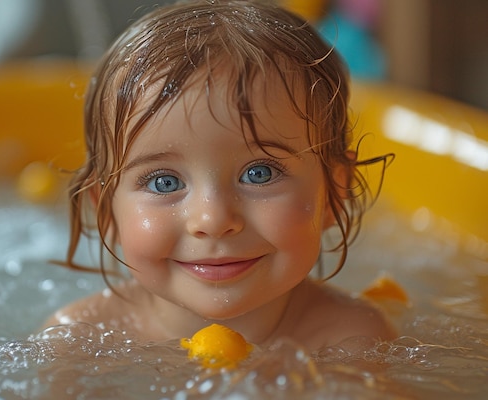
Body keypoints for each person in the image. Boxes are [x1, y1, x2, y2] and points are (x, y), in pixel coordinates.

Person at [45, 0, 396, 351]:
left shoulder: (351, 341)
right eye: (164, 182)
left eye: (259, 174)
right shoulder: (78, 344)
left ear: (334, 192)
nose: (213, 220)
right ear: (105, 209)